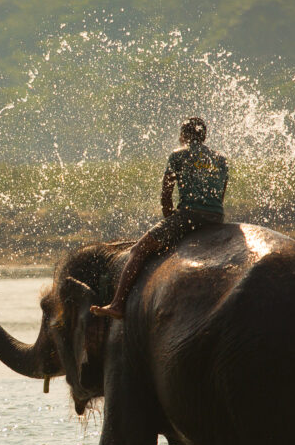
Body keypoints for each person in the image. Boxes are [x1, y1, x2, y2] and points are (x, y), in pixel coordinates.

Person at [90, 117, 228, 319]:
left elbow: (166, 196)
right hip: (216, 217)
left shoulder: (178, 155)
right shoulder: (220, 159)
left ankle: (117, 304)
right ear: (204, 136)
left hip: (189, 216)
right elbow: (220, 196)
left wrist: (170, 220)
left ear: (183, 136)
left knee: (138, 250)